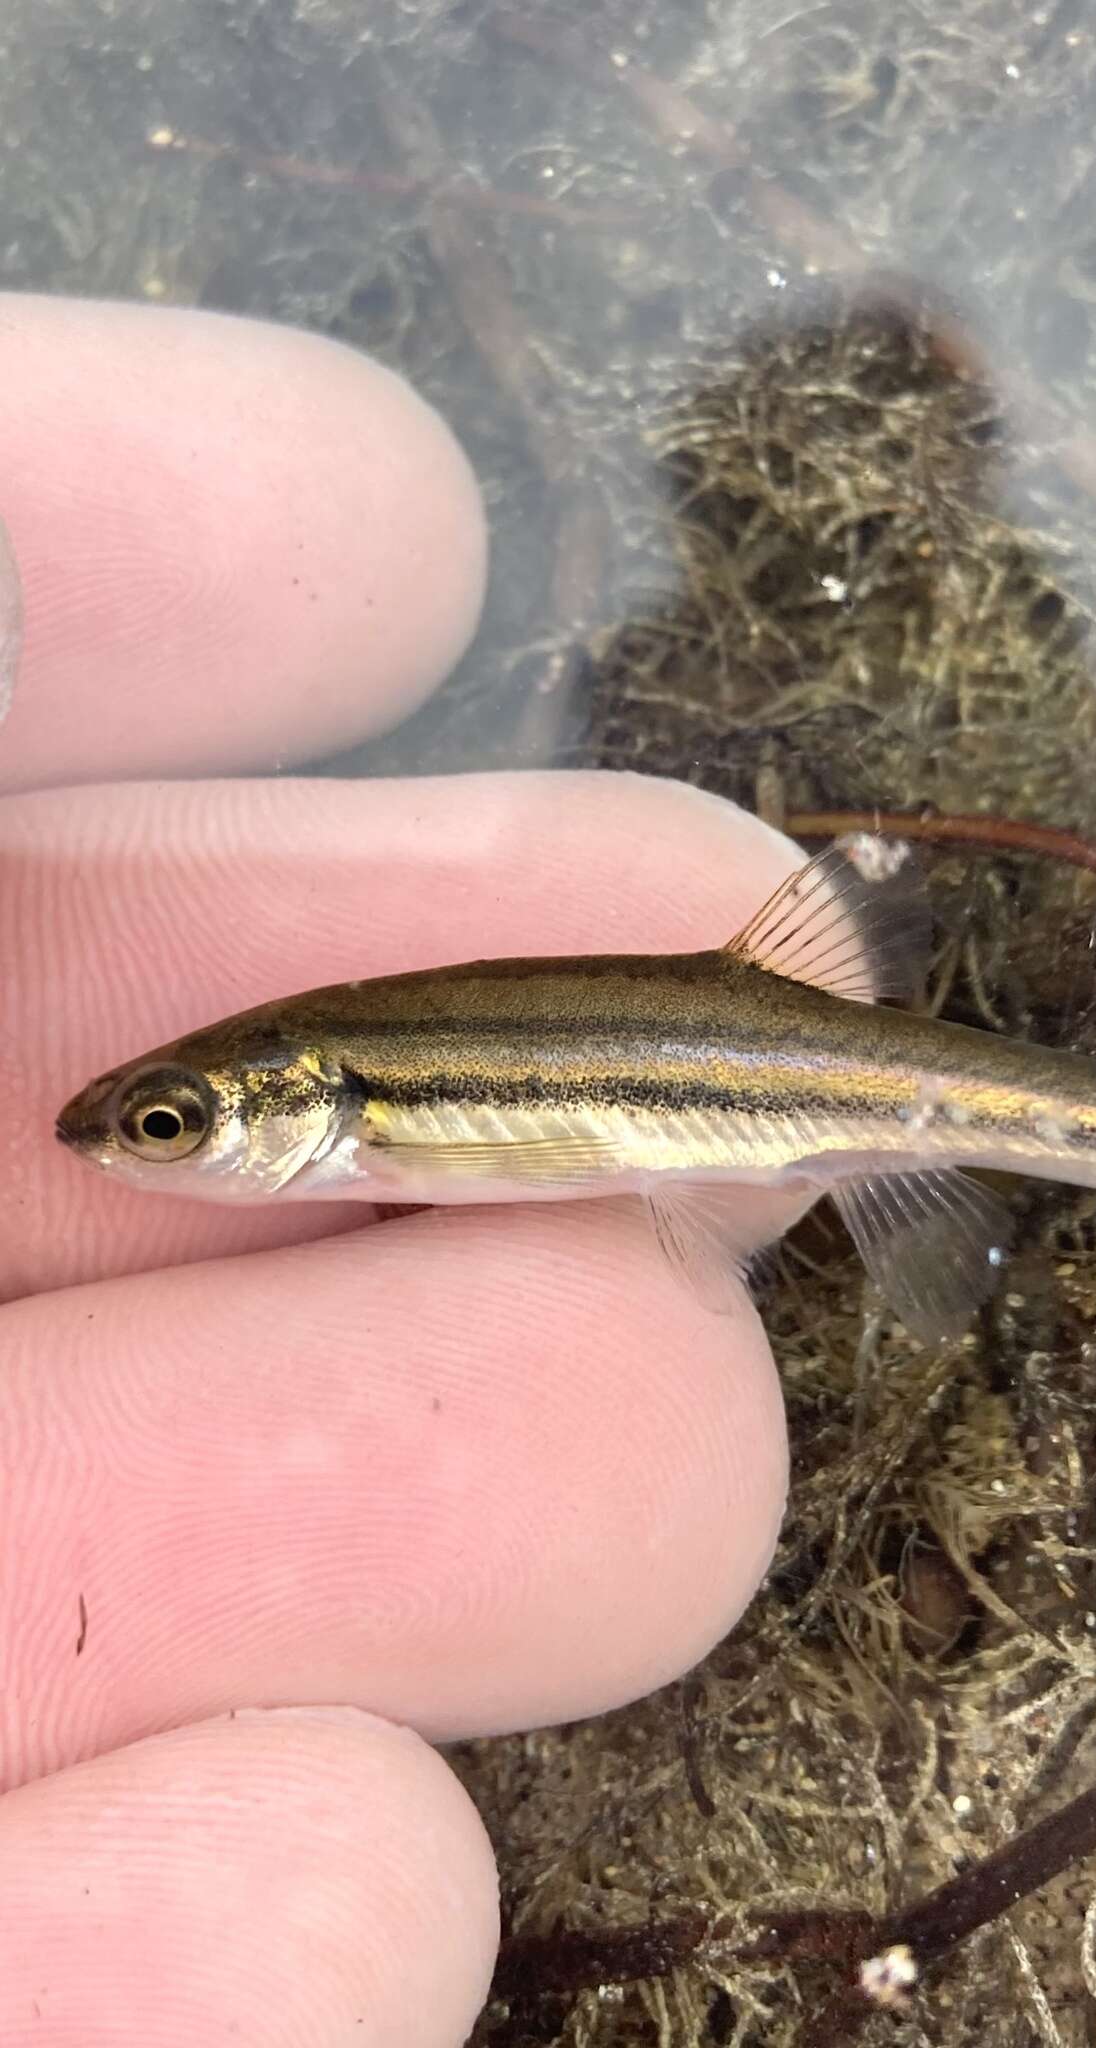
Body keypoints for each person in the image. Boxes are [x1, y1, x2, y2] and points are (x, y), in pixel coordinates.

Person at [0, 293, 794, 2043]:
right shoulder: (337, 1078)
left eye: (168, 1128)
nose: (144, 1152)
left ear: (304, 1104)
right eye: (163, 1127)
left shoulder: (358, 1081)